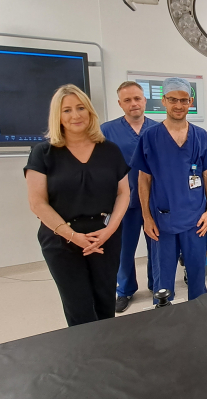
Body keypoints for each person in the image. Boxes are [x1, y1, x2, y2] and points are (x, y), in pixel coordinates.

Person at [25, 84, 130, 326]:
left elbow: (124, 193)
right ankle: (85, 358)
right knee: (79, 306)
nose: (75, 115)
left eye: (80, 108)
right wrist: (74, 236)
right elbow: (37, 203)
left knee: (105, 301)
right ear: (58, 117)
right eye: (67, 110)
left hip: (105, 236)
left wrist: (109, 230)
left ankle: (106, 354)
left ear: (90, 112)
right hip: (61, 239)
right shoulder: (43, 153)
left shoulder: (110, 150)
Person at [132, 77, 207, 303]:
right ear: (164, 101)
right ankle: (165, 325)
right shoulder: (150, 137)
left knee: (198, 278)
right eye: (173, 99)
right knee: (163, 283)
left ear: (190, 102)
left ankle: (198, 319)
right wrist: (146, 217)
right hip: (163, 221)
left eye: (183, 100)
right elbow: (144, 179)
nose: (178, 105)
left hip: (195, 220)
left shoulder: (200, 136)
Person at [101, 81, 159, 313]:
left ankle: (157, 285)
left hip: (155, 200)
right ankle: (124, 290)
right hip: (123, 202)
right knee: (124, 249)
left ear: (145, 100)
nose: (133, 103)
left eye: (137, 98)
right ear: (120, 104)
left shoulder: (158, 129)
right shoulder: (106, 131)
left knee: (156, 245)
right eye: (127, 100)